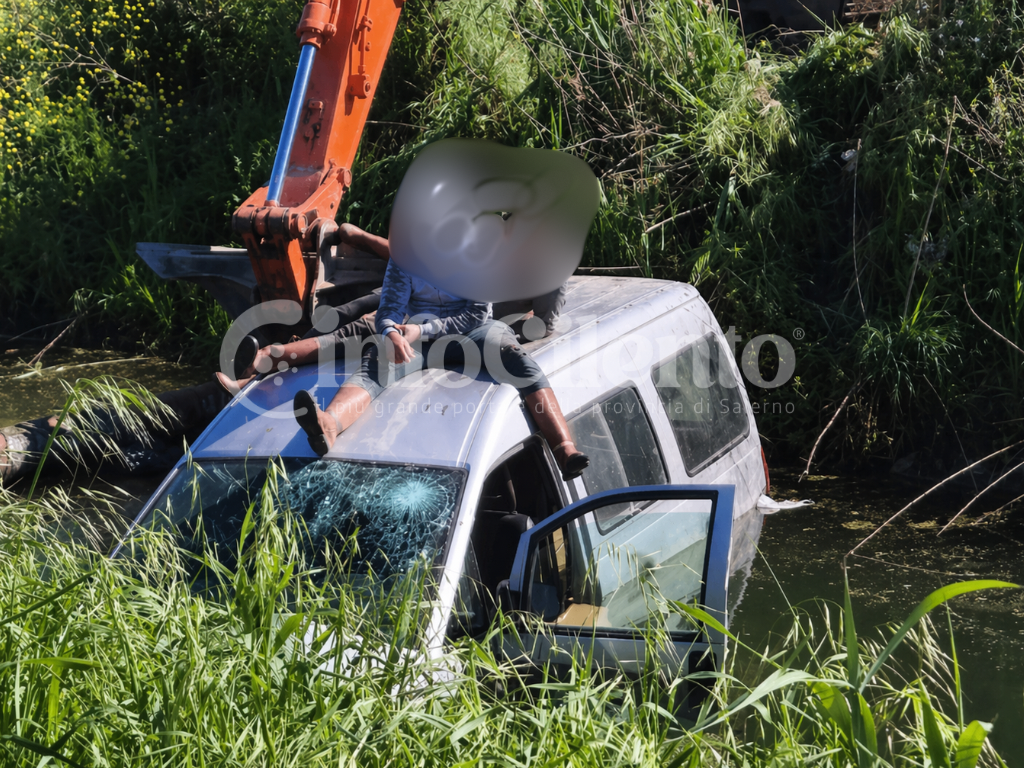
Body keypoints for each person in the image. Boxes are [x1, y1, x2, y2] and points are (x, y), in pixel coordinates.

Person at [288, 251, 589, 480]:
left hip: (473, 331)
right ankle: (329, 424)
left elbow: (476, 313)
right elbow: (389, 309)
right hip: (418, 334)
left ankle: (563, 447)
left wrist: (423, 329)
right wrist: (392, 333)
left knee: (515, 357)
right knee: (377, 362)